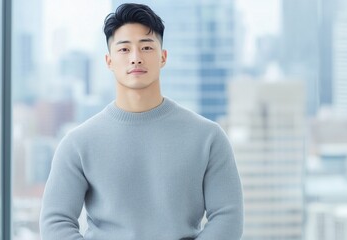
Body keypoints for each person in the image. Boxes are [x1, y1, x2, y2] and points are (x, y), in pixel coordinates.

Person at [40, 3, 243, 240]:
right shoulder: (77, 143)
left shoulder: (208, 137)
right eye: (124, 50)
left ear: (163, 57)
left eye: (146, 47)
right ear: (108, 61)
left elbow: (228, 217)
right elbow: (56, 222)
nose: (135, 58)